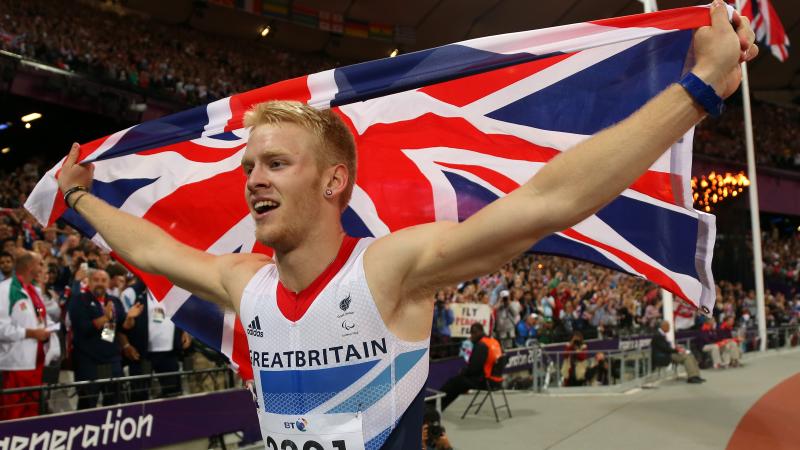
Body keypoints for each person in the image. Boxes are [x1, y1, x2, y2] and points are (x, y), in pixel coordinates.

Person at [54, 4, 755, 446]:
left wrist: (695, 92)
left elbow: (549, 201)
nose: (253, 179)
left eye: (275, 163)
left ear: (334, 183)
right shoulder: (245, 284)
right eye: (248, 167)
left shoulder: (390, 270)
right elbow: (150, 246)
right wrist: (78, 199)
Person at [67, 269, 142, 409]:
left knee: (113, 405)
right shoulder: (79, 300)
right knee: (87, 406)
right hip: (88, 363)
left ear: (108, 283)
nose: (100, 283)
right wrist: (105, 318)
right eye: (96, 280)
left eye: (103, 280)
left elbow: (123, 328)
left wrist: (131, 317)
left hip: (112, 361)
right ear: (88, 282)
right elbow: (83, 328)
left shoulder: (114, 300)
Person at [0, 251, 59, 420]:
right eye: (40, 264)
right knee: (12, 415)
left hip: (36, 362)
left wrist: (47, 333)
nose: (44, 268)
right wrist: (30, 333)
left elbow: (44, 319)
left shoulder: (34, 291)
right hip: (15, 366)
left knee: (32, 414)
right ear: (29, 266)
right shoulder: (5, 290)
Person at [439, 323, 502, 411]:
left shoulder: (481, 345)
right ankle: (439, 405)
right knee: (457, 382)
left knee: (454, 383)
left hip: (485, 381)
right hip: (495, 379)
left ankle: (437, 405)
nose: (471, 336)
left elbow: (473, 369)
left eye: (473, 333)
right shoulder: (494, 342)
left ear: (478, 332)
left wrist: (463, 372)